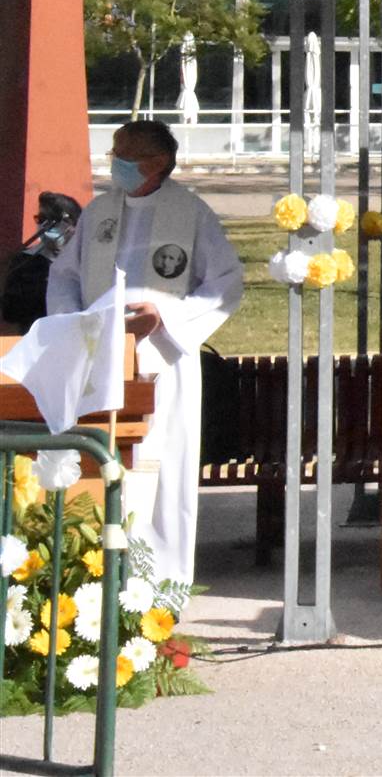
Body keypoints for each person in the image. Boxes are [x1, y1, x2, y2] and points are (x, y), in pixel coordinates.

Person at [45, 120, 242, 585]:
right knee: (99, 464)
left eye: (124, 152)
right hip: (98, 358)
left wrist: (166, 320)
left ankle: (161, 582)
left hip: (161, 362)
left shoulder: (190, 212)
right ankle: (95, 579)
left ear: (156, 163)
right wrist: (73, 324)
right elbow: (64, 276)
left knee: (160, 465)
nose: (114, 160)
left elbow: (226, 282)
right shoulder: (98, 212)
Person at [1, 191, 82, 334]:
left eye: (52, 220)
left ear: (72, 224)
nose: (44, 225)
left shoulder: (86, 259)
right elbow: (10, 312)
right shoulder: (24, 262)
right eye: (41, 219)